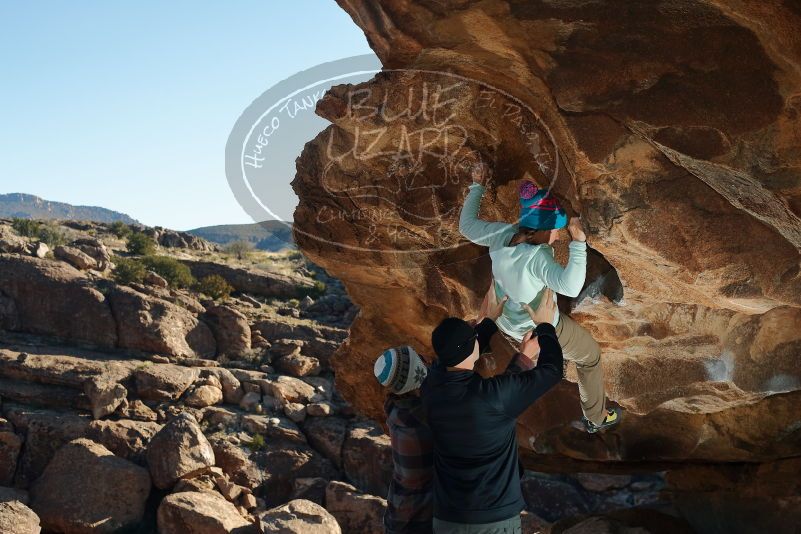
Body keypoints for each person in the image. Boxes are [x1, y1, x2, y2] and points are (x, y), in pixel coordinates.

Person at [458, 162, 620, 433]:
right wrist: (578, 242)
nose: (557, 236)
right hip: (537, 328)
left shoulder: (502, 235)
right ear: (544, 230)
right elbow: (569, 286)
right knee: (589, 355)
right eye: (556, 230)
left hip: (504, 320)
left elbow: (466, 226)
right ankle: (596, 416)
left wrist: (478, 187)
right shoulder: (538, 259)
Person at [421, 287, 563, 533]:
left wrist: (489, 322)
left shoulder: (431, 387)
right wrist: (545, 326)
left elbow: (464, 360)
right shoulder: (486, 396)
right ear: (471, 348)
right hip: (492, 520)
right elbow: (552, 371)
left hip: (448, 515)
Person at [374, 345, 434, 534]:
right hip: (418, 520)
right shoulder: (421, 420)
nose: (425, 359)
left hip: (400, 513)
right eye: (420, 359)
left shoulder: (396, 406)